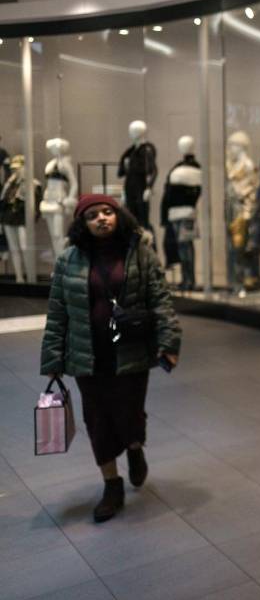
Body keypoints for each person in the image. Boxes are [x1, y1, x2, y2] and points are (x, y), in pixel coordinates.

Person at [39, 193, 182, 523]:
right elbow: (57, 312)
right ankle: (111, 485)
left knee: (129, 412)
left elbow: (160, 300)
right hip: (87, 355)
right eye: (92, 215)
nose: (101, 219)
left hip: (130, 350)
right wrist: (52, 359)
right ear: (82, 224)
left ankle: (134, 447)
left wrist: (169, 343)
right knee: (97, 421)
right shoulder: (68, 260)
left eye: (107, 212)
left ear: (119, 216)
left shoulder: (140, 254)